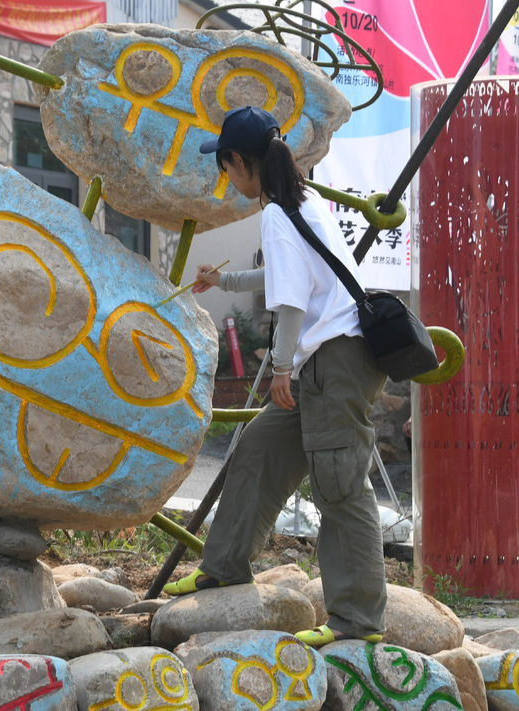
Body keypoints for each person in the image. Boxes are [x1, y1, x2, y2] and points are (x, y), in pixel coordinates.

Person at [164, 106, 388, 648]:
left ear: (240, 160)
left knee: (340, 486)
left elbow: (290, 302)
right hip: (326, 361)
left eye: (224, 168)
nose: (227, 178)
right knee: (257, 450)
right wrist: (226, 279)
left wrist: (280, 368)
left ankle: (357, 623)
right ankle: (223, 565)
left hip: (334, 361)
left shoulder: (278, 211)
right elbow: (290, 274)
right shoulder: (300, 202)